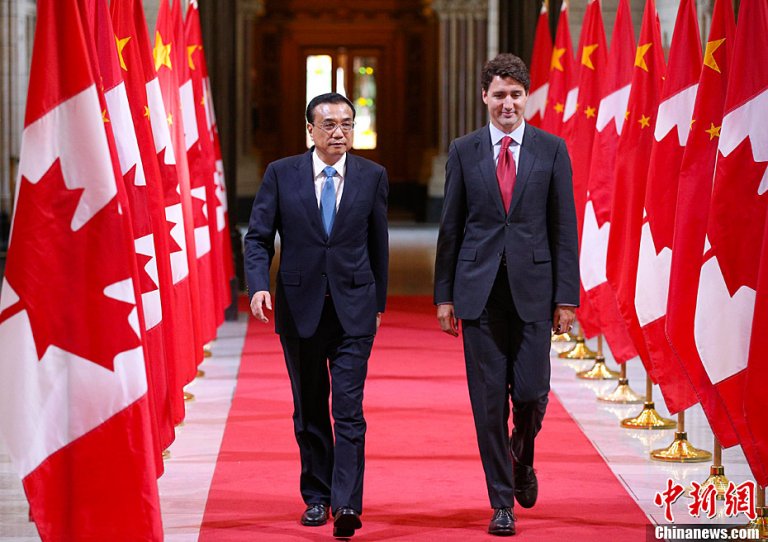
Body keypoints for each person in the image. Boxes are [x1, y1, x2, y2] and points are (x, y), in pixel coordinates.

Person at [433, 53, 579, 536]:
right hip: (478, 295)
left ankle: (522, 454)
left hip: (535, 293)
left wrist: (566, 298)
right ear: (485, 97)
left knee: (534, 393)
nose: (508, 103)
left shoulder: (552, 150)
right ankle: (501, 503)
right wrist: (444, 296)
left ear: (526, 98)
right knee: (489, 402)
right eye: (499, 94)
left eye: (516, 94)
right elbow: (450, 228)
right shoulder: (464, 150)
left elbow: (563, 228)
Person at [244, 92, 389, 538]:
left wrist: (378, 304)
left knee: (348, 409)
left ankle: (346, 503)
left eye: (347, 123)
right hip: (300, 308)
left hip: (353, 311)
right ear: (310, 129)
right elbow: (258, 237)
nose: (339, 132)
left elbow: (377, 245)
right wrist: (258, 286)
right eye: (329, 124)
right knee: (309, 409)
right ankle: (317, 496)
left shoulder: (372, 176)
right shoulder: (281, 174)